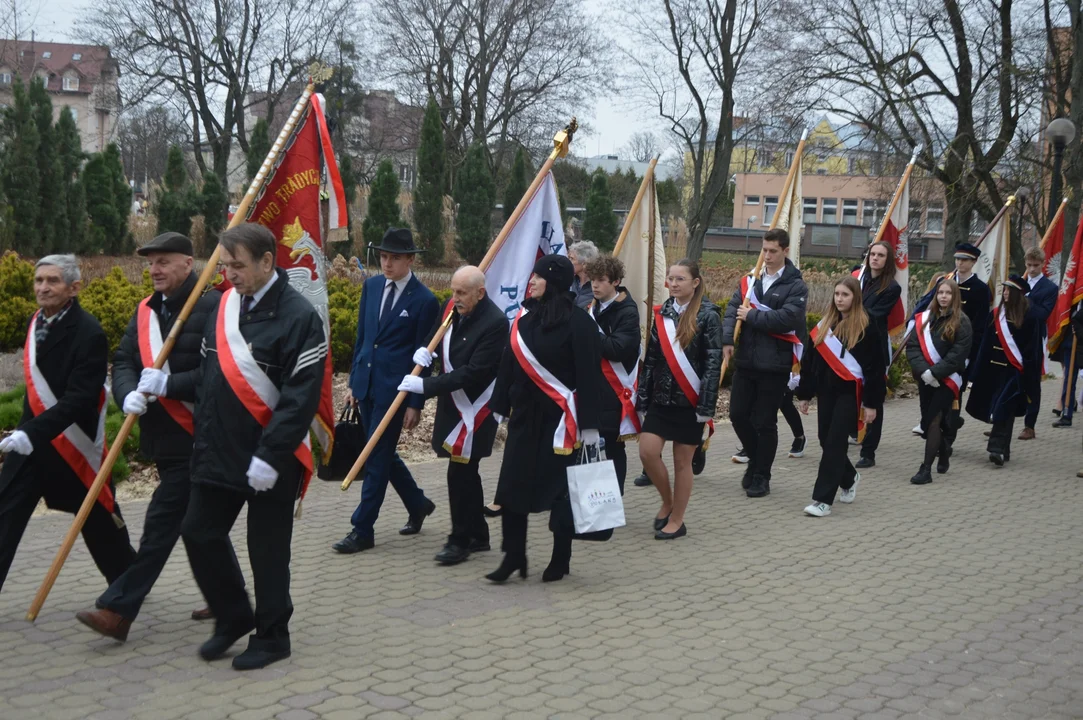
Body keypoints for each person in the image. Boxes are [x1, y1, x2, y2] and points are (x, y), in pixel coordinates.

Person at [180, 223, 327, 670]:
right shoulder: (223, 306)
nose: (228, 275)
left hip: (270, 458)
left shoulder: (300, 318)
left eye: (237, 266)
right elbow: (211, 377)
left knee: (266, 550)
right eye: (224, 266)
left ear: (267, 262)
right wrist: (165, 384)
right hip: (219, 448)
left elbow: (299, 399)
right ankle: (232, 615)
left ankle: (272, 635)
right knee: (198, 531)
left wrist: (270, 455)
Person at [75, 232, 222, 641]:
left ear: (188, 264)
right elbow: (123, 359)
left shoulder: (212, 307)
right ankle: (228, 594)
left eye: (163, 261)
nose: (154, 270)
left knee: (161, 524)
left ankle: (119, 611)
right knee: (199, 523)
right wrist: (128, 394)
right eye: (150, 263)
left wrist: (169, 385)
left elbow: (221, 373)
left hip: (199, 437)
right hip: (162, 436)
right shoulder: (144, 311)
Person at [0, 255, 136, 593]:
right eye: (39, 280)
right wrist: (27, 434)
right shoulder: (37, 321)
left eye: (52, 281)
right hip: (30, 444)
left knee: (99, 519)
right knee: (6, 512)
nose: (43, 287)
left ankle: (129, 585)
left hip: (70, 441)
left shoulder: (89, 332)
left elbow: (80, 399)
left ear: (74, 287)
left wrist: (31, 433)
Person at [486, 255, 602, 583]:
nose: (531, 282)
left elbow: (590, 377)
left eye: (537, 277)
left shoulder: (580, 324)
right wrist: (498, 407)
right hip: (524, 418)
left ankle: (560, 558)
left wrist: (591, 427)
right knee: (511, 488)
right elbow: (510, 364)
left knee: (560, 494)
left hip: (561, 424)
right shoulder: (524, 321)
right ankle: (513, 556)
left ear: (552, 281)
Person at [333, 228, 440, 554]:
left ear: (410, 259)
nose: (387, 263)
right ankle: (417, 503)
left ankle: (362, 528)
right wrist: (354, 382)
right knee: (380, 451)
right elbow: (364, 338)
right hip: (366, 384)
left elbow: (427, 355)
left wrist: (415, 402)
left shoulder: (424, 301)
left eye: (395, 257)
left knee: (376, 458)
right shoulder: (372, 286)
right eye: (383, 256)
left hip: (396, 392)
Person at [399, 266, 506, 566]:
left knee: (459, 474)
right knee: (466, 474)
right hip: (454, 409)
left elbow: (474, 373)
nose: (454, 298)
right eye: (453, 290)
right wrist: (425, 354)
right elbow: (437, 337)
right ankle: (479, 535)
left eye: (461, 293)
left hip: (476, 412)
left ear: (480, 293)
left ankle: (459, 540)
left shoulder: (496, 323)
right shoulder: (452, 308)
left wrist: (425, 385)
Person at [637, 259, 723, 539]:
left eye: (680, 279)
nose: (673, 284)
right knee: (648, 452)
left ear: (695, 283)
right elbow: (651, 358)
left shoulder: (709, 315)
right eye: (671, 279)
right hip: (661, 398)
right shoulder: (663, 313)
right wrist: (643, 398)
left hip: (690, 401)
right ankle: (667, 500)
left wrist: (705, 407)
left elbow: (712, 363)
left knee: (682, 463)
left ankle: (677, 519)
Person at [722, 228, 808, 498]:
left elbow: (787, 319)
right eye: (764, 250)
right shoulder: (751, 280)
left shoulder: (796, 285)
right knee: (737, 415)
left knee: (765, 422)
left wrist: (752, 316)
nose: (767, 256)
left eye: (773, 251)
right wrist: (727, 338)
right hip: (746, 361)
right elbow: (732, 311)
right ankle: (757, 459)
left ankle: (761, 475)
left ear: (785, 250)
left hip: (774, 365)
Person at [794, 276, 885, 517]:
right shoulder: (825, 325)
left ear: (855, 297)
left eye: (845, 294)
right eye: (837, 294)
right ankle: (849, 477)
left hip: (850, 394)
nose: (840, 299)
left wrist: (871, 403)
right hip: (826, 392)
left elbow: (875, 370)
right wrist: (805, 394)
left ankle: (823, 500)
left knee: (835, 442)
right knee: (825, 439)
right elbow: (810, 363)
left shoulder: (867, 325)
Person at [911, 242, 990, 441]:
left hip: (960, 350)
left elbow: (979, 326)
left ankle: (948, 437)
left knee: (953, 396)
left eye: (965, 260)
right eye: (958, 259)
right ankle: (932, 429)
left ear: (974, 262)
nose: (960, 263)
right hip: (936, 348)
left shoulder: (980, 289)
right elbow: (926, 308)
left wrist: (970, 356)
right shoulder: (944, 282)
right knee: (931, 395)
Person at [966, 276, 1042, 465]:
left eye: (1009, 290)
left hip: (1013, 372)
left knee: (1003, 408)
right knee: (999, 410)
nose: (1005, 293)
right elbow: (985, 345)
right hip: (992, 370)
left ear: (1017, 293)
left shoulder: (1030, 316)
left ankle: (996, 448)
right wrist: (975, 374)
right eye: (1004, 289)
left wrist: (1029, 377)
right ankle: (1003, 450)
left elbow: (1032, 350)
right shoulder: (995, 314)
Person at [583, 255, 641, 494]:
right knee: (589, 444)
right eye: (592, 280)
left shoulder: (627, 311)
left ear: (616, 281)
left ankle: (614, 496)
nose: (595, 285)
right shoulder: (591, 306)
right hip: (591, 387)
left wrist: (587, 332)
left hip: (614, 390)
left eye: (601, 280)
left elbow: (618, 349)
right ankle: (590, 494)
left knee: (614, 448)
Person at [906, 279, 972, 485]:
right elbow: (913, 348)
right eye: (940, 292)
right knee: (929, 421)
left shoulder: (963, 321)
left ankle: (925, 469)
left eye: (948, 293)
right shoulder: (925, 319)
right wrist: (924, 372)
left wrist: (935, 372)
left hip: (948, 380)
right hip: (926, 379)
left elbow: (958, 354)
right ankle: (944, 452)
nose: (943, 296)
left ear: (955, 297)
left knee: (932, 420)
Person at [852, 240, 902, 468]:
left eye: (881, 255)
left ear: (887, 260)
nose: (875, 258)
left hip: (873, 347)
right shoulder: (857, 279)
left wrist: (849, 309)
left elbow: (873, 314)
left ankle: (869, 451)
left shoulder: (891, 288)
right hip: (852, 344)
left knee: (873, 397)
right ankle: (853, 431)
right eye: (872, 254)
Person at [1021, 247, 1057, 438]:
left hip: (1035, 337)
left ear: (1043, 264)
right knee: (1010, 378)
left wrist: (1025, 301)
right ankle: (1003, 421)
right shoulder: (1019, 282)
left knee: (1032, 381)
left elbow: (1042, 314)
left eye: (1036, 265)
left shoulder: (1050, 288)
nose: (1032, 269)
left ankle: (1030, 425)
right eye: (1029, 265)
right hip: (1015, 335)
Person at [568, 240, 599, 309]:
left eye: (572, 259)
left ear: (584, 262)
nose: (568, 262)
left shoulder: (598, 286)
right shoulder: (568, 281)